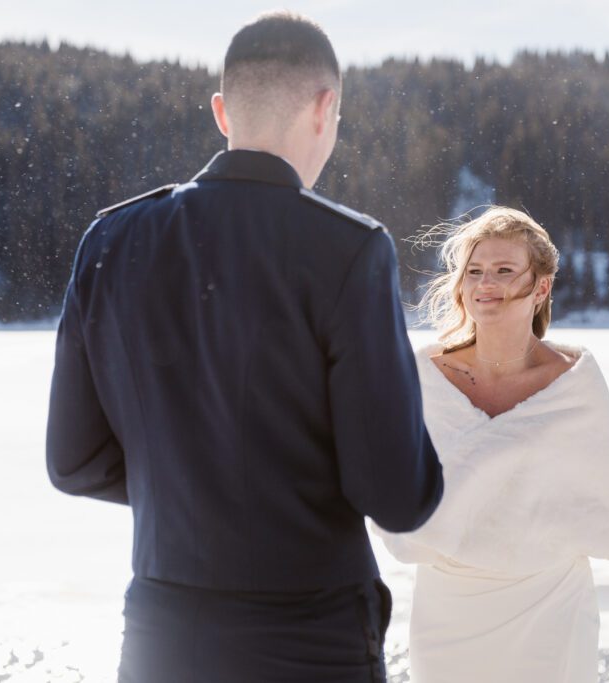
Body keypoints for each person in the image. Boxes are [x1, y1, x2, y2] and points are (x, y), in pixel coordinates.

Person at [45, 11, 443, 682]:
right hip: (309, 638)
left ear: (223, 112)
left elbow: (74, 459)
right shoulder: (349, 250)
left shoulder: (110, 241)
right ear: (325, 110)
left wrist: (189, 486)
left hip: (163, 636)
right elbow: (395, 492)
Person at [375, 206, 609, 682]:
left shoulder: (573, 383)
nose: (485, 284)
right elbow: (389, 481)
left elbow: (600, 494)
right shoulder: (423, 375)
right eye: (474, 271)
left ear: (540, 286)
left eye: (503, 270)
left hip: (550, 600)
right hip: (450, 604)